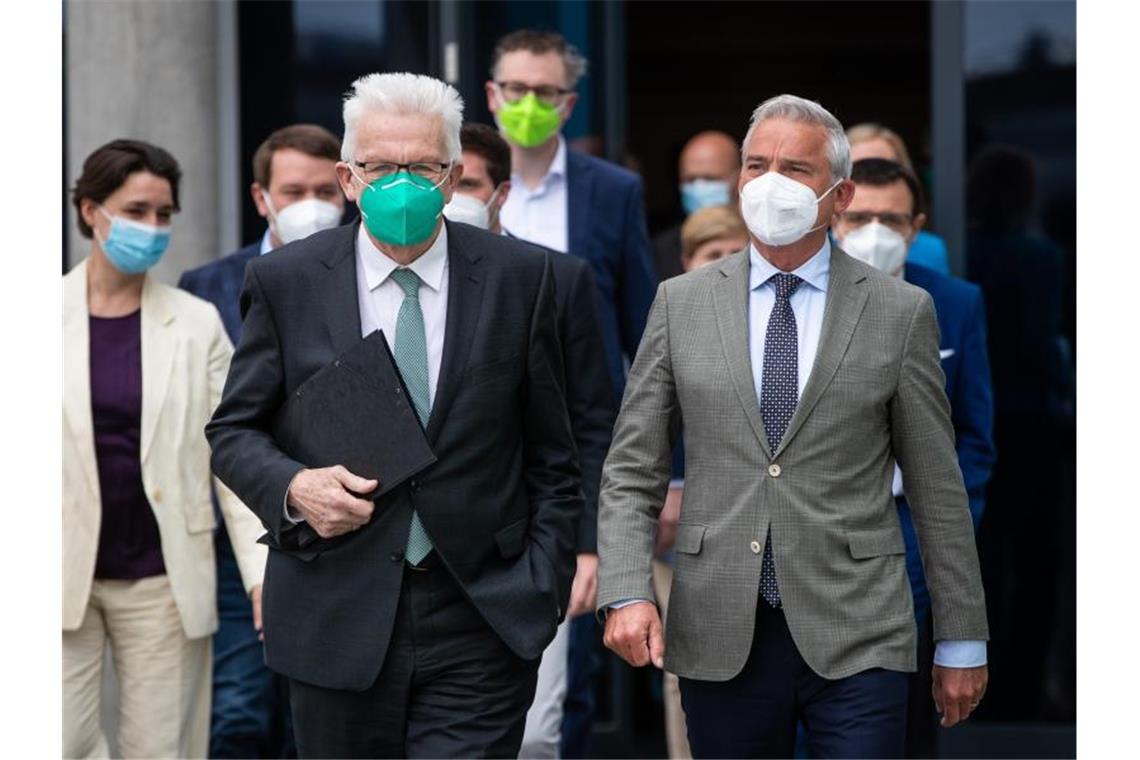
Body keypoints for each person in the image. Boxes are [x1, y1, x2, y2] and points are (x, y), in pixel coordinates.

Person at [597, 95, 990, 759]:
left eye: (796, 168)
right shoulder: (679, 302)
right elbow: (634, 464)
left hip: (860, 625)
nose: (771, 181)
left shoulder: (901, 312)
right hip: (720, 625)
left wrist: (962, 637)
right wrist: (627, 588)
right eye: (757, 164)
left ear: (839, 195)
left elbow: (936, 485)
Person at [206, 72, 582, 758]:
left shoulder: (521, 279)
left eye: (422, 166)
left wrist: (542, 579)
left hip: (482, 609)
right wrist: (293, 489)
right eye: (380, 166)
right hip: (335, 608)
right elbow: (233, 433)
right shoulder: (285, 282)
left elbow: (554, 451)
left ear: (454, 175)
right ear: (348, 177)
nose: (399, 182)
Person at [484, 29, 658, 756]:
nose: (527, 104)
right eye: (514, 89)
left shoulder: (611, 193)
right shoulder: (454, 184)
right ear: (491, 96)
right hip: (484, 454)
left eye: (544, 92)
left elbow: (645, 334)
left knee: (569, 682)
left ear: (568, 102)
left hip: (577, 453)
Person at [64, 139, 267, 758]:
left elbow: (233, 454)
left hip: (162, 577)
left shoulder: (197, 321)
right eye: (136, 211)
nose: (153, 228)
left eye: (164, 214)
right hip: (56, 571)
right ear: (90, 210)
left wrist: (260, 576)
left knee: (160, 750)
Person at [445, 121, 616, 759]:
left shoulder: (555, 278)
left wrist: (587, 546)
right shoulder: (372, 273)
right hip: (409, 554)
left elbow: (592, 417)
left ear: (502, 192)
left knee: (535, 736)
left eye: (469, 182)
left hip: (524, 548)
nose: (447, 195)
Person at [178, 123, 344, 758]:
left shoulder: (366, 274)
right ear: (260, 197)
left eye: (322, 190)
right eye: (292, 189)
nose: (310, 204)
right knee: (242, 711)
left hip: (342, 518)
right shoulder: (208, 285)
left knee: (324, 717)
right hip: (241, 523)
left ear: (347, 190)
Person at [833, 157, 996, 752]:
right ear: (833, 213)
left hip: (909, 533)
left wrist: (946, 531)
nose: (874, 230)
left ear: (916, 225)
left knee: (897, 711)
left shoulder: (955, 301)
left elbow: (976, 434)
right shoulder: (797, 294)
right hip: (816, 526)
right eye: (859, 216)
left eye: (891, 218)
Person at [846, 122, 951, 275]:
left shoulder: (930, 250)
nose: (871, 176)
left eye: (884, 167)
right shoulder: (819, 247)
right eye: (858, 168)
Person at [653, 131, 742, 280]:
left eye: (710, 178)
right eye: (690, 180)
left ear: (739, 179)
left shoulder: (759, 241)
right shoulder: (661, 250)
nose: (699, 186)